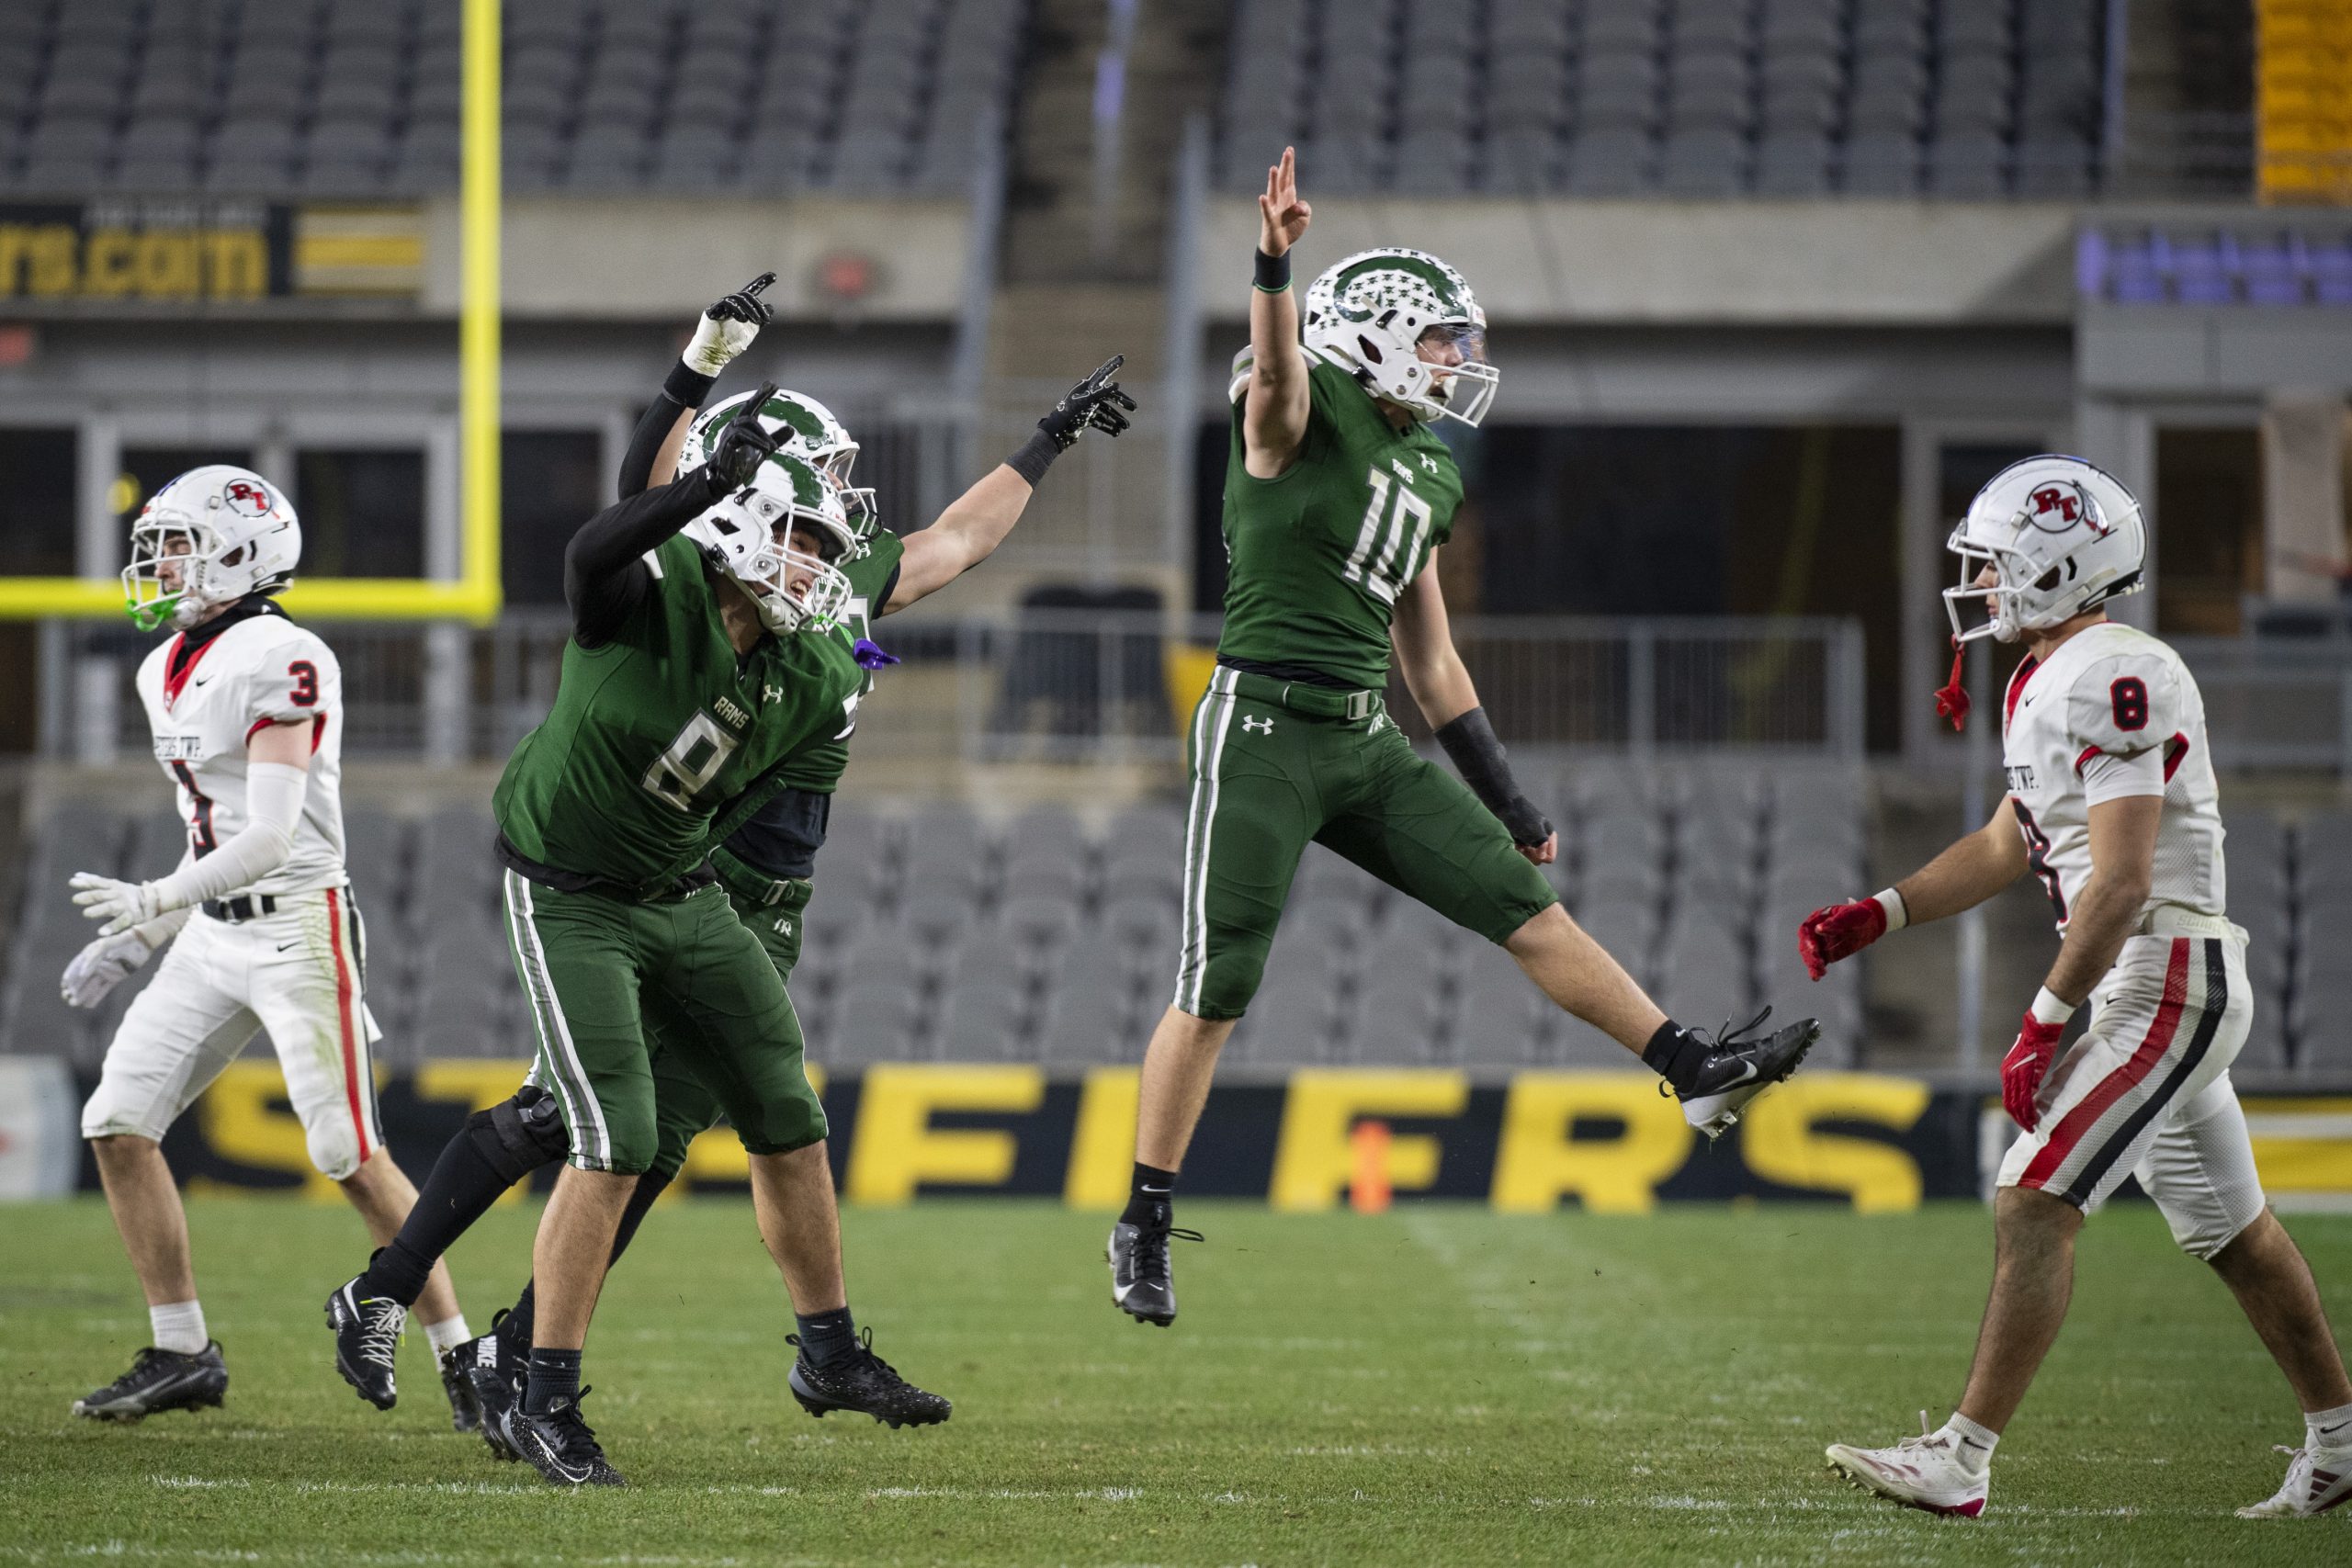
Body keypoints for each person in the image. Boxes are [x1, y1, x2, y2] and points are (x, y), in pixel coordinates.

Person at [319, 276, 1132, 1476]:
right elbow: (622, 521)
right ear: (750, 501)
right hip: (621, 873)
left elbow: (952, 543)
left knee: (704, 1122)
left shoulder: (824, 616)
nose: (835, 523)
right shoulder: (665, 596)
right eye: (808, 507)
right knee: (600, 1122)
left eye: (829, 517)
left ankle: (611, 1344)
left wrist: (1043, 443)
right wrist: (697, 384)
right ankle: (476, 1336)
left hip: (708, 886)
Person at [1106, 148, 1821, 1329]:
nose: (1460, 362)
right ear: (1378, 335)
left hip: (1360, 733)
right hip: (1263, 729)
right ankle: (1141, 1217)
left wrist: (1507, 798)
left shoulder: (1430, 465)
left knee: (1528, 912)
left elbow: (1430, 659)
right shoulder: (1295, 410)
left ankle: (1693, 1069)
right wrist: (1274, 261)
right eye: (1441, 340)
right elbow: (1278, 373)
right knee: (1218, 983)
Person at [1807, 455, 2352, 1519]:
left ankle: (1960, 1458)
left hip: (2167, 978)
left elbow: (2122, 881)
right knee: (2235, 1236)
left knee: (2032, 1196)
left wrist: (2042, 1021)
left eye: (2002, 564)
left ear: (2063, 567)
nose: (1981, 583)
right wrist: (1884, 909)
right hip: (2150, 981)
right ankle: (2341, 1439)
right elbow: (2010, 842)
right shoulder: (2046, 674)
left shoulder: (2113, 672)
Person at [63, 467, 473, 1427]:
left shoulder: (284, 656)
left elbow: (270, 837)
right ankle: (181, 1351)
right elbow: (211, 831)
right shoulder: (160, 660)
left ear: (242, 553)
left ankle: (464, 1357)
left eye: (176, 545)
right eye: (156, 545)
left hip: (296, 923)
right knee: (117, 1124)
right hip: (211, 933)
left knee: (347, 1149)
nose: (157, 564)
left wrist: (154, 896)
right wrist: (147, 933)